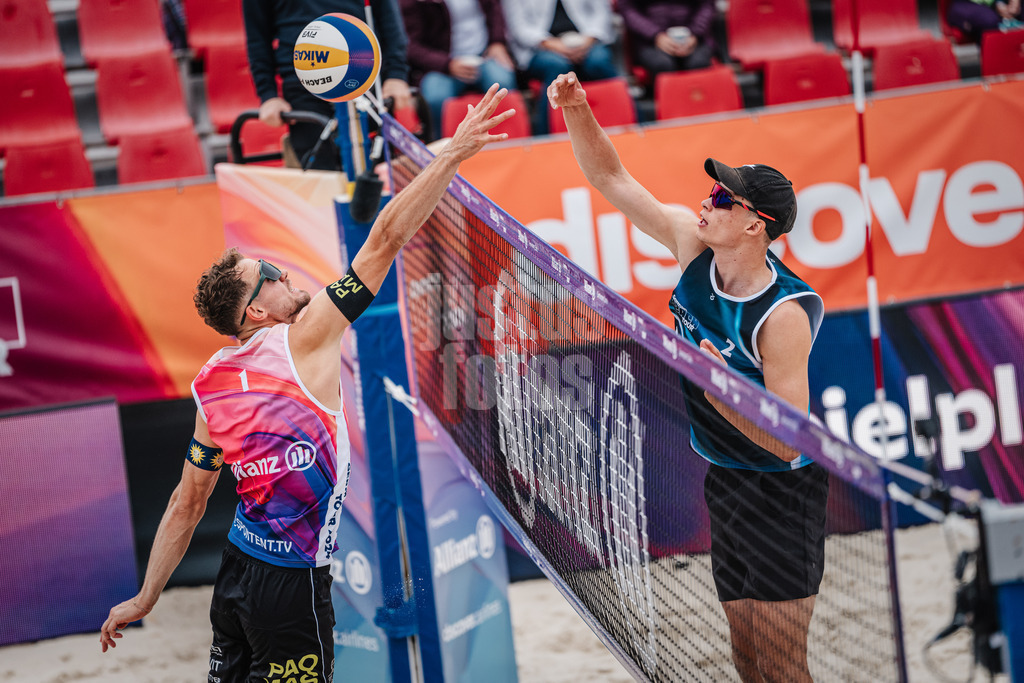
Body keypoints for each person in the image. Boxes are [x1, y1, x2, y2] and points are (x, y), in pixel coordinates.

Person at [98, 85, 516, 682]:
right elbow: (385, 239)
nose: (279, 269)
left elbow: (187, 503)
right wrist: (450, 156)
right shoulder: (306, 335)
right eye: (266, 276)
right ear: (256, 316)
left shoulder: (208, 385)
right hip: (290, 586)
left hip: (236, 574)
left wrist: (146, 597)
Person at [547, 72, 828, 682]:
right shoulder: (691, 246)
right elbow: (611, 179)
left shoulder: (781, 316)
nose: (707, 201)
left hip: (781, 494)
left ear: (757, 225)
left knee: (784, 668)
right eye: (711, 190)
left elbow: (787, 441)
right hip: (725, 479)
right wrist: (577, 110)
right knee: (747, 659)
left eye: (724, 199)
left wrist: (715, 384)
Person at [243, 0, 415, 171]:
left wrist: (396, 75)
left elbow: (390, 19)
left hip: (365, 77)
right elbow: (258, 38)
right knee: (321, 178)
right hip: (303, 86)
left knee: (379, 178)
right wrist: (268, 95)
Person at [400, 0, 518, 142]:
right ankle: (441, 152)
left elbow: (496, 12)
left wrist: (497, 43)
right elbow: (410, 46)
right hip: (441, 64)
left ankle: (509, 146)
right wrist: (447, 64)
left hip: (483, 56)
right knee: (436, 98)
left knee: (503, 83)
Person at [503, 0, 619, 134]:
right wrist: (553, 45)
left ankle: (631, 125)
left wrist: (588, 40)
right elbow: (518, 28)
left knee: (599, 62)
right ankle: (546, 135)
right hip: (540, 48)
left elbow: (602, 14)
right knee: (557, 67)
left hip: (587, 43)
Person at [617, 0, 716, 81]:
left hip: (694, 37)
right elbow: (628, 10)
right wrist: (656, 35)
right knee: (662, 65)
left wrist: (695, 33)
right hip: (649, 40)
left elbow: (707, 5)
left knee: (698, 63)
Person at [947, 0, 1023, 42]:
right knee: (988, 20)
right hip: (968, 4)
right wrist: (997, 3)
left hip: (1000, 4)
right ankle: (996, 62)